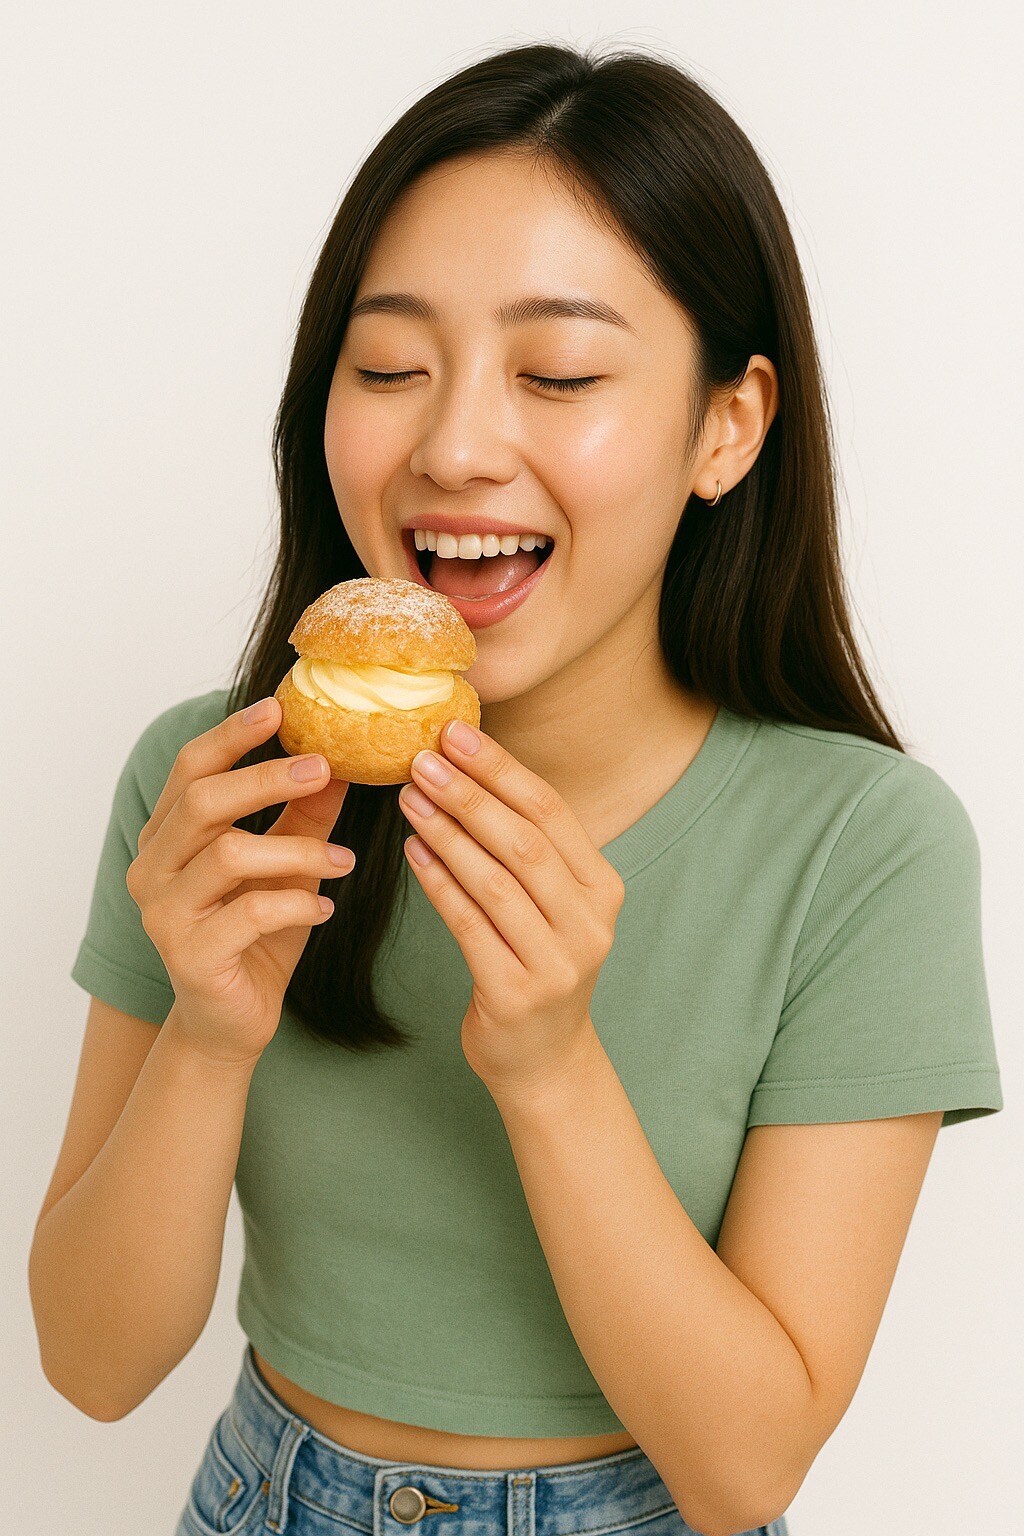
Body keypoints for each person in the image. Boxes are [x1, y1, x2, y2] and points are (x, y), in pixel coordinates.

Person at [30, 40, 1003, 1536]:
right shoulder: (214, 786)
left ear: (728, 426)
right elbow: (93, 1366)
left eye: (560, 374)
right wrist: (210, 1035)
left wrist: (552, 1066)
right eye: (388, 368)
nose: (456, 446)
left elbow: (744, 1472)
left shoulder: (859, 848)